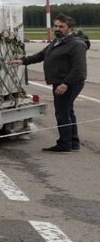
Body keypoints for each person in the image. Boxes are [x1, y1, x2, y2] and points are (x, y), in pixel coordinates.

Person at [13, 14, 89, 152]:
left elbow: (79, 69)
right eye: (56, 26)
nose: (57, 29)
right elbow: (42, 55)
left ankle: (65, 144)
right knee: (67, 112)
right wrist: (23, 61)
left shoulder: (76, 44)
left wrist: (65, 84)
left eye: (61, 26)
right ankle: (73, 143)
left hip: (69, 83)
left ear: (70, 28)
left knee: (62, 113)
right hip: (60, 82)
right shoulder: (57, 41)